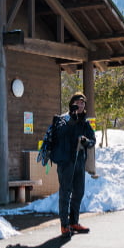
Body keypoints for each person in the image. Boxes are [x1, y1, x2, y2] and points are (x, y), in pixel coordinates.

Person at [42, 91, 95, 237]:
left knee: (79, 192)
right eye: (77, 103)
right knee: (65, 192)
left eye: (83, 103)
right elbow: (60, 134)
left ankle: (74, 222)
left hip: (79, 161)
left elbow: (92, 140)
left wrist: (87, 142)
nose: (80, 105)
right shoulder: (63, 119)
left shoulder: (84, 122)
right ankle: (64, 225)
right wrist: (72, 120)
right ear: (72, 104)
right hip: (66, 162)